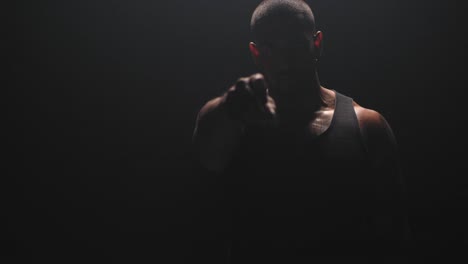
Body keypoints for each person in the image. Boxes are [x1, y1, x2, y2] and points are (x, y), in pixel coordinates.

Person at [191, 0, 411, 263]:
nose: (285, 59)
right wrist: (228, 107)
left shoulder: (366, 125)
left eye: (294, 44)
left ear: (316, 43)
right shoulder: (233, 121)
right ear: (256, 53)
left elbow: (395, 238)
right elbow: (206, 161)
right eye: (271, 47)